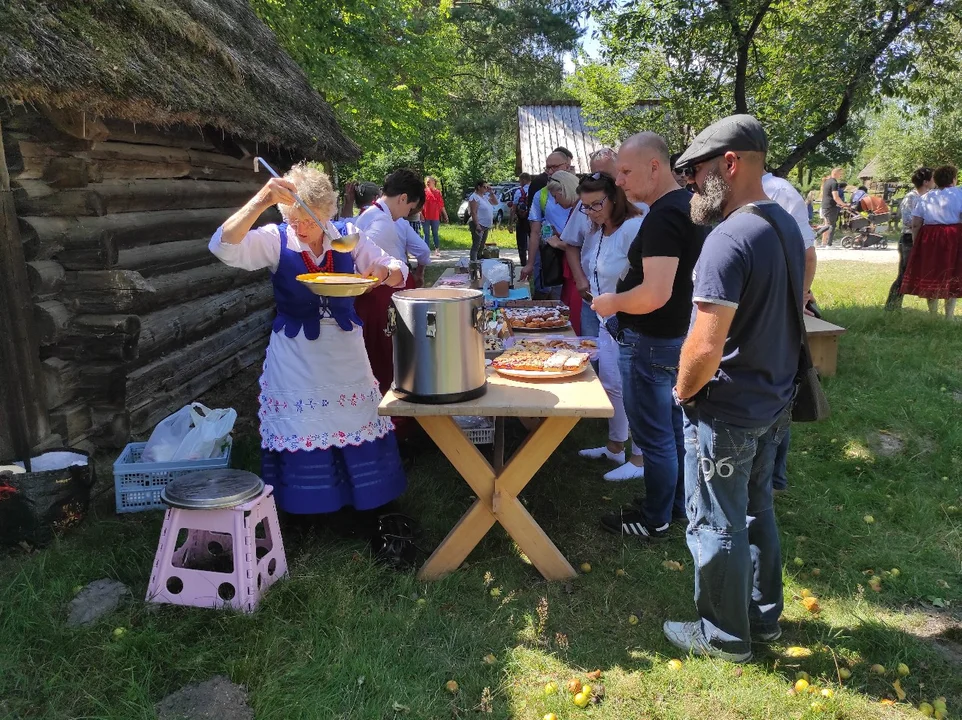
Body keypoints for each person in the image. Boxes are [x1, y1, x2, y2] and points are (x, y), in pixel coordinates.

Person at [665, 114, 804, 662]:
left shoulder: (727, 237)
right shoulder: (783, 224)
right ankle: (763, 620)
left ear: (730, 163)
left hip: (726, 409)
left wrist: (681, 392)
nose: (693, 184)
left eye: (697, 172)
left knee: (715, 520)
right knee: (756, 511)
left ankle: (723, 636)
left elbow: (704, 344)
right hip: (773, 400)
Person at [208, 163, 408, 519]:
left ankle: (368, 502)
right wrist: (260, 200)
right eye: (294, 219)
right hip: (295, 355)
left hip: (345, 353)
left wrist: (385, 272)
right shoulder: (276, 240)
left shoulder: (347, 236)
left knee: (354, 422)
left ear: (328, 212)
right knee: (303, 427)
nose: (301, 228)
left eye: (309, 220)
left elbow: (396, 268)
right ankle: (307, 509)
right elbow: (222, 246)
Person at [592, 131, 705, 526]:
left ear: (654, 167)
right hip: (671, 337)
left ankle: (654, 518)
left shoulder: (663, 215)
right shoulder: (686, 205)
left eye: (625, 171)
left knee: (655, 435)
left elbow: (655, 292)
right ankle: (674, 508)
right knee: (672, 432)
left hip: (651, 340)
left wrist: (613, 303)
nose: (618, 181)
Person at [570, 172, 645, 472]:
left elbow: (647, 280)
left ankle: (640, 458)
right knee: (611, 384)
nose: (590, 212)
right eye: (585, 207)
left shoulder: (633, 228)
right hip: (606, 321)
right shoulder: (597, 231)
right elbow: (590, 267)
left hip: (632, 322)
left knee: (634, 389)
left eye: (596, 205)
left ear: (615, 198)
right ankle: (616, 447)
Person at [761, 170, 818, 494]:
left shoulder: (779, 192)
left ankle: (775, 478)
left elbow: (808, 254)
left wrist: (799, 297)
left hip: (780, 309)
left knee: (779, 392)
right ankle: (771, 478)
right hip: (761, 308)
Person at [353, 169, 428, 394]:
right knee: (387, 363)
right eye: (409, 208)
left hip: (375, 299)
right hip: (379, 302)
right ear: (403, 198)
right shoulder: (382, 222)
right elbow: (365, 263)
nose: (406, 214)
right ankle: (395, 419)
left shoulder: (369, 213)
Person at [562, 147, 620, 327]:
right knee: (592, 351)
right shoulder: (585, 204)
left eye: (606, 175)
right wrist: (579, 278)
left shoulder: (636, 204)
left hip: (623, 302)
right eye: (596, 175)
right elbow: (571, 243)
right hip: (592, 299)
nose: (600, 181)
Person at [903, 164, 962, 319]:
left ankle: (933, 315)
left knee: (932, 273)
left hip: (931, 238)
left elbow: (916, 223)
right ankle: (948, 316)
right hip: (954, 237)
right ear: (953, 179)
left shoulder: (926, 197)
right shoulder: (960, 194)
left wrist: (917, 243)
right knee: (952, 273)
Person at [523, 149, 576, 298]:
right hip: (553, 255)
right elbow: (534, 232)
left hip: (578, 255)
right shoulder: (542, 194)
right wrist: (530, 263)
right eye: (548, 167)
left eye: (555, 167)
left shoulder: (581, 191)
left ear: (567, 165)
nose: (550, 171)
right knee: (557, 297)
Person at [886, 167, 934, 310]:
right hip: (908, 238)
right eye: (932, 179)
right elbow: (907, 220)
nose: (934, 182)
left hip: (923, 237)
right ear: (926, 182)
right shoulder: (911, 197)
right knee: (904, 272)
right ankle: (892, 306)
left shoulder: (929, 197)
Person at [468, 180, 498, 263]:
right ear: (479, 187)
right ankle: (473, 263)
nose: (486, 189)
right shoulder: (474, 197)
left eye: (487, 187)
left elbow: (495, 202)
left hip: (486, 225)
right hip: (479, 224)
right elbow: (473, 212)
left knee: (481, 246)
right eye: (484, 187)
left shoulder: (484, 197)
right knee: (476, 245)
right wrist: (477, 225)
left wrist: (491, 192)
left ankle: (479, 262)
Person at [422, 176, 448, 258]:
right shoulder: (424, 192)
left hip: (435, 216)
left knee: (435, 233)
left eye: (430, 181)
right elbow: (420, 205)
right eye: (427, 181)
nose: (428, 182)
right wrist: (420, 214)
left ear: (434, 182)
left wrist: (445, 215)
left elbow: (441, 205)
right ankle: (426, 251)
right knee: (426, 234)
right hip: (425, 216)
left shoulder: (437, 192)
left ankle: (437, 250)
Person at [819, 168, 845, 247]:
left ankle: (817, 237)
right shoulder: (834, 183)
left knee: (828, 225)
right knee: (832, 226)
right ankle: (829, 244)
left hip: (825, 206)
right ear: (836, 173)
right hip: (831, 206)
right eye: (840, 173)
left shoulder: (827, 182)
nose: (841, 175)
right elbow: (835, 197)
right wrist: (843, 204)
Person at [512, 173, 532, 266]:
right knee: (533, 241)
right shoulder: (535, 190)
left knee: (521, 243)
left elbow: (514, 207)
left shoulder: (519, 191)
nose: (520, 183)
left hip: (522, 219)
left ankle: (523, 263)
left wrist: (510, 222)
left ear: (523, 180)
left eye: (520, 181)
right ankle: (533, 262)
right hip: (533, 219)